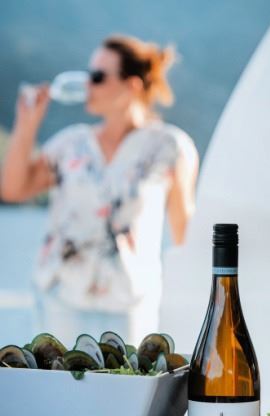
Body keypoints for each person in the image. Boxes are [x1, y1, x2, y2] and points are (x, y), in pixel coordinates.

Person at [0, 35, 199, 346]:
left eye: (98, 76)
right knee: (61, 376)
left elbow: (184, 231)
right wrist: (27, 124)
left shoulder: (170, 147)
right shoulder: (71, 144)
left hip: (131, 299)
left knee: (126, 375)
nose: (87, 84)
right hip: (60, 296)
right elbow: (13, 189)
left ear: (131, 85)